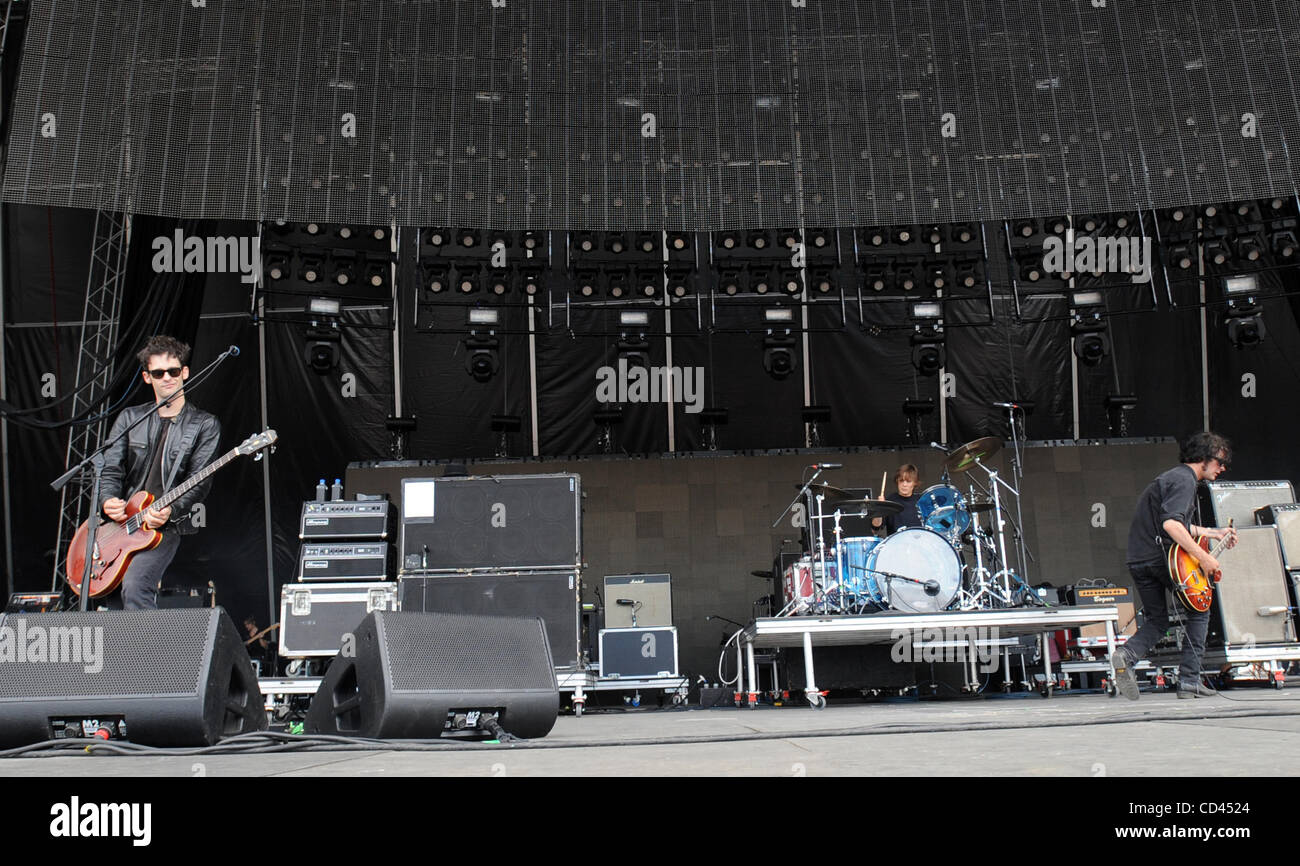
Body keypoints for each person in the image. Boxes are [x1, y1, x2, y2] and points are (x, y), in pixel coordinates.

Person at [1111, 431, 1238, 700]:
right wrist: (1204, 558)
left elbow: (1174, 522)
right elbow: (1171, 525)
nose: (1222, 468)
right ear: (1203, 458)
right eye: (1219, 462)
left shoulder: (1170, 478)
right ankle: (1190, 680)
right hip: (1162, 559)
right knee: (1200, 610)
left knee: (1158, 620)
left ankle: (1126, 654)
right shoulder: (1185, 481)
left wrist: (1212, 533)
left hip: (1139, 559)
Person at [98, 336, 221, 610]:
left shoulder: (204, 424)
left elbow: (199, 482)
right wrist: (108, 500)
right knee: (113, 596)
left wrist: (172, 509)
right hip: (124, 524)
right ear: (146, 377)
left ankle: (148, 652)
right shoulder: (130, 418)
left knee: (135, 587)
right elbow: (110, 469)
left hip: (165, 526)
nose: (167, 378)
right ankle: (122, 654)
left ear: (185, 373)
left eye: (174, 371)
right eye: (158, 372)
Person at [873, 463, 924, 535]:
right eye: (901, 480)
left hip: (920, 542)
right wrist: (879, 509)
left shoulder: (921, 501)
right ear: (897, 481)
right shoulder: (890, 501)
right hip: (897, 544)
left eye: (908, 481)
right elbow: (875, 529)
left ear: (915, 483)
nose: (904, 484)